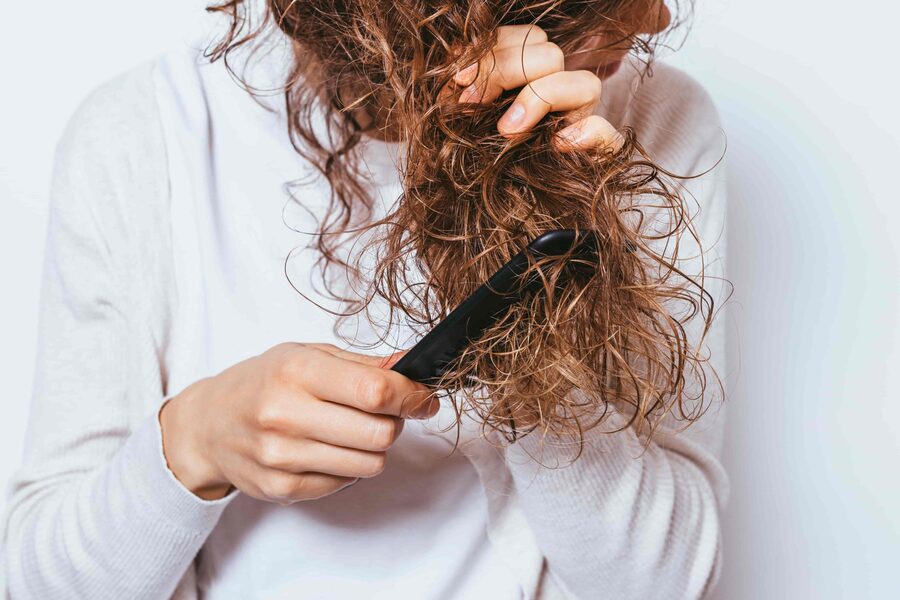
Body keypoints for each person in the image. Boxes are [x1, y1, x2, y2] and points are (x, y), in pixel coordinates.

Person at [3, 1, 729, 598]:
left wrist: (525, 229)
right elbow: (38, 580)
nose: (656, 16)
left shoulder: (650, 118)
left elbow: (664, 584)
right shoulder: (141, 136)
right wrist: (196, 440)